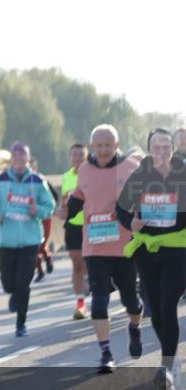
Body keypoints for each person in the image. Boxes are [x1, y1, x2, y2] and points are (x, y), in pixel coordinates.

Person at [60, 124, 141, 373]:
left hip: (124, 247)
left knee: (131, 302)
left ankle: (134, 327)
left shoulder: (130, 168)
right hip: (94, 247)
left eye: (108, 145)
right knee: (99, 301)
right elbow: (76, 200)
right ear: (92, 147)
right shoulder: (84, 170)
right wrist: (65, 210)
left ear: (116, 146)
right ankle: (106, 353)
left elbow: (144, 200)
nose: (103, 150)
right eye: (99, 146)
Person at [117, 128, 186, 390]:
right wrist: (131, 222)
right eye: (156, 147)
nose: (162, 151)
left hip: (178, 249)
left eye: (166, 146)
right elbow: (121, 209)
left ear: (172, 148)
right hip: (147, 251)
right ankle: (171, 358)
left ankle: (167, 367)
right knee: (156, 310)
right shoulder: (140, 176)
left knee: (168, 305)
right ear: (149, 149)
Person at [0, 142, 56, 337]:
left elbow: (50, 206)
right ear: (11, 158)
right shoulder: (0, 181)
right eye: (15, 154)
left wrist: (37, 211)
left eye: (22, 154)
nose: (19, 158)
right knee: (8, 284)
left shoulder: (38, 181)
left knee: (24, 283)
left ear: (28, 158)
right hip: (7, 241)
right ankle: (13, 294)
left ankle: (20, 323)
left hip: (31, 241)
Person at [58, 143, 89, 319]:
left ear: (86, 157)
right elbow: (64, 201)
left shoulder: (92, 175)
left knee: (91, 264)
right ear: (70, 157)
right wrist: (62, 211)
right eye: (74, 155)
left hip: (92, 225)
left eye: (81, 155)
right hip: (73, 226)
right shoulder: (66, 177)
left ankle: (96, 292)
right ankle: (80, 305)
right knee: (77, 265)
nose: (77, 158)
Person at [30, 158, 57, 282]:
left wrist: (43, 207)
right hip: (31, 219)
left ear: (35, 168)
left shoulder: (40, 180)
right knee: (33, 247)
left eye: (30, 166)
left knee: (41, 244)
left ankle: (47, 257)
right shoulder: (19, 183)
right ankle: (40, 271)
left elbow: (54, 197)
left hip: (44, 217)